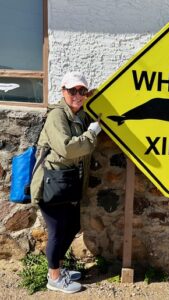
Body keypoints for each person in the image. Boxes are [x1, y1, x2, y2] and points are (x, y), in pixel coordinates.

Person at [31, 71, 101, 294]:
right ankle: (53, 278)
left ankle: (58, 269)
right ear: (63, 91)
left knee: (71, 226)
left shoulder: (79, 115)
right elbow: (67, 148)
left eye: (82, 91)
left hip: (68, 183)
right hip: (50, 183)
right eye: (72, 91)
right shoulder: (57, 116)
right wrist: (91, 135)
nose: (77, 95)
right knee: (58, 230)